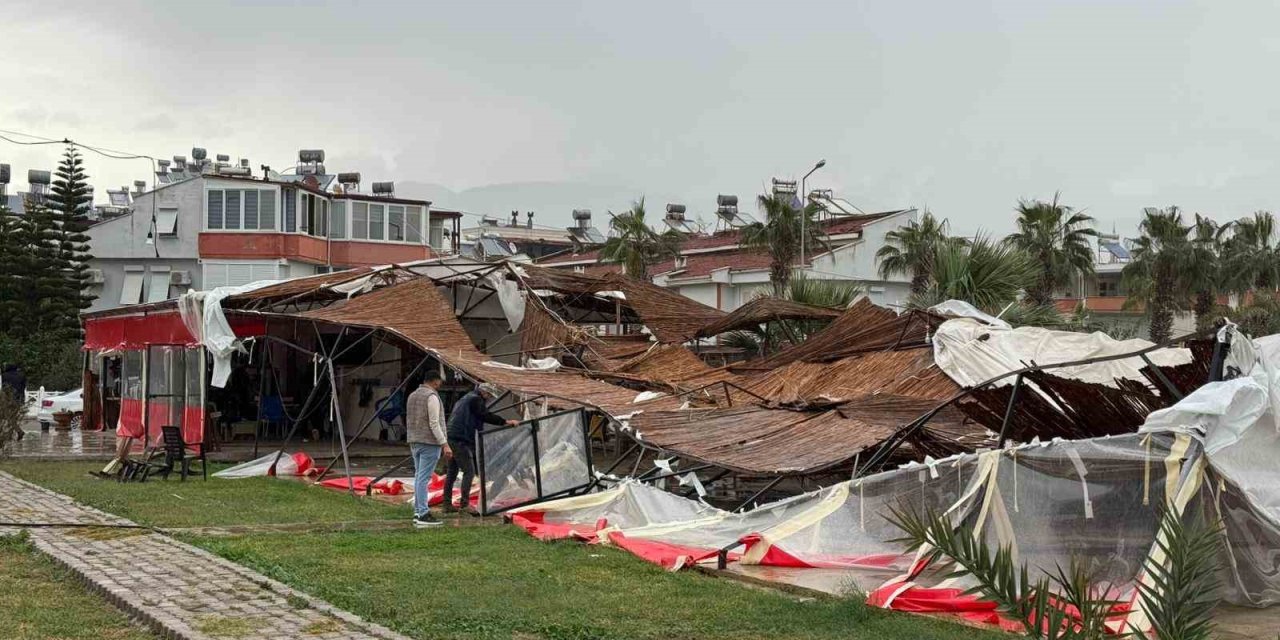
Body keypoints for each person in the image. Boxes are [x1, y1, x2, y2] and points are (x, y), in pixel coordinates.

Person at [442, 383, 517, 515]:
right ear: (484, 392)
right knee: (469, 471)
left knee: (452, 472)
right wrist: (505, 422)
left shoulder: (466, 398)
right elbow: (485, 415)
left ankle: (447, 504)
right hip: (461, 439)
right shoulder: (476, 399)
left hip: (452, 436)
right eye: (489, 395)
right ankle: (464, 504)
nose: (489, 398)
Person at [405, 371, 448, 527]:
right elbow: (434, 423)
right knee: (423, 479)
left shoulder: (412, 395)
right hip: (429, 442)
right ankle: (423, 513)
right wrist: (444, 444)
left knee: (419, 477)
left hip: (414, 440)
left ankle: (418, 511)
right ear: (435, 381)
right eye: (439, 382)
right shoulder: (432, 397)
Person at [2, 364, 27, 442]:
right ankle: (11, 435)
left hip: (8, 399)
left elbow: (4, 387)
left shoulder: (4, 375)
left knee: (9, 417)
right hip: (19, 399)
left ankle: (19, 431)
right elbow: (23, 387)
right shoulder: (22, 375)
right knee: (13, 417)